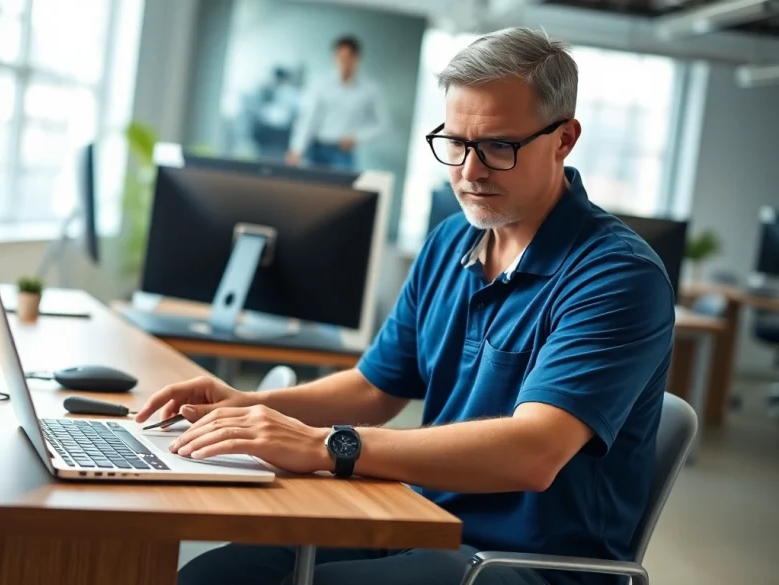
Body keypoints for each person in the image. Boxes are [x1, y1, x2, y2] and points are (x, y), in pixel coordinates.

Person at [136, 27, 676, 585]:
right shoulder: (450, 241)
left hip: (524, 566)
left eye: (498, 146)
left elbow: (534, 453)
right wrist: (250, 404)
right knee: (215, 576)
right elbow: (376, 387)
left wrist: (327, 445)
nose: (469, 171)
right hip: (418, 523)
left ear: (564, 140)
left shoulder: (616, 275)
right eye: (456, 142)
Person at [285, 35, 388, 171]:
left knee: (342, 190)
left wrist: (357, 138)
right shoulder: (319, 84)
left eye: (347, 58)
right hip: (317, 148)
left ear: (356, 58)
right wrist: (297, 148)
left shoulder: (369, 89)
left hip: (343, 152)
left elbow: (382, 124)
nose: (342, 63)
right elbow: (308, 118)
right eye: (339, 57)